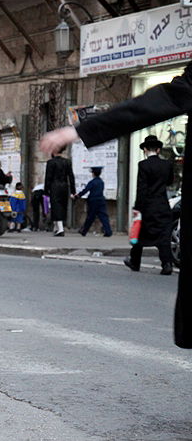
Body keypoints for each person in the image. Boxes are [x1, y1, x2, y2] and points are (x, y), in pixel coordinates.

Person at [39, 61, 192, 349]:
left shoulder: (146, 166)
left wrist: (80, 131)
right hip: (162, 205)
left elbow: (164, 100)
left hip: (151, 205)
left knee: (147, 237)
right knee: (159, 238)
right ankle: (164, 263)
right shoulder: (163, 167)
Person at [123, 136, 174, 275]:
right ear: (158, 150)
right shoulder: (167, 164)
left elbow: (142, 189)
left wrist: (137, 207)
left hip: (148, 206)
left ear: (145, 149)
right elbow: (170, 181)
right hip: (163, 205)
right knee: (163, 237)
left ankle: (135, 262)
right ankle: (167, 264)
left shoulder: (143, 165)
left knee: (140, 234)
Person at [44, 149, 75, 237]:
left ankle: (60, 228)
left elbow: (48, 177)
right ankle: (56, 227)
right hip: (65, 186)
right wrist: (73, 191)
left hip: (54, 186)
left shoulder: (51, 162)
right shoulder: (67, 162)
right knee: (63, 206)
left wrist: (46, 190)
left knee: (55, 206)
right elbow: (71, 176)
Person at [75, 166, 112, 238]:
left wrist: (77, 196)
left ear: (93, 173)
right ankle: (108, 231)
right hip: (101, 200)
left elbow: (85, 190)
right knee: (103, 216)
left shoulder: (92, 182)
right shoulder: (101, 182)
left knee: (90, 217)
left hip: (93, 201)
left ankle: (84, 231)